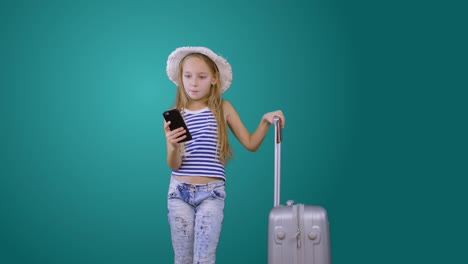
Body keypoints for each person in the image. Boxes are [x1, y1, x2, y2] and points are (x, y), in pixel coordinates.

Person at [163, 46, 285, 264]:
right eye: (188, 76)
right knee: (182, 259)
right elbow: (174, 164)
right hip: (179, 192)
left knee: (204, 259)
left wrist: (265, 120)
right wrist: (172, 146)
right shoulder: (175, 115)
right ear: (181, 78)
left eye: (201, 77)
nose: (193, 83)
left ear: (213, 78)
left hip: (211, 194)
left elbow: (251, 143)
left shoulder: (223, 108)